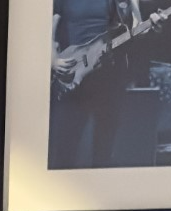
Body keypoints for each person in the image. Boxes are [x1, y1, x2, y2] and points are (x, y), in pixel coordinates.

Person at [49, 0, 144, 168]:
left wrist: (152, 23)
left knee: (104, 153)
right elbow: (48, 29)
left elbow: (137, 26)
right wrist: (53, 59)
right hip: (75, 74)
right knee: (65, 151)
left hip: (108, 77)